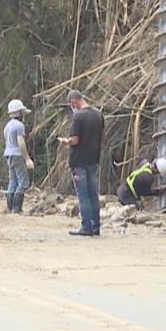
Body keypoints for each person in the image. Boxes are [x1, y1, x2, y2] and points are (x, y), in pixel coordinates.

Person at [58, 90, 104, 236]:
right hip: (93, 160)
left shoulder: (79, 116)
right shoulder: (98, 114)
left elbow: (75, 140)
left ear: (73, 102)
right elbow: (104, 136)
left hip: (79, 161)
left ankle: (86, 227)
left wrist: (65, 141)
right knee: (93, 194)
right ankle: (96, 226)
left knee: (83, 195)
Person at [3, 99, 34, 214]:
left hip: (8, 155)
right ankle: (17, 208)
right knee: (23, 182)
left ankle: (10, 207)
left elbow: (7, 142)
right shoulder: (19, 126)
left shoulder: (7, 126)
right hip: (18, 155)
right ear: (19, 113)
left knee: (13, 181)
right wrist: (27, 159)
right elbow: (21, 142)